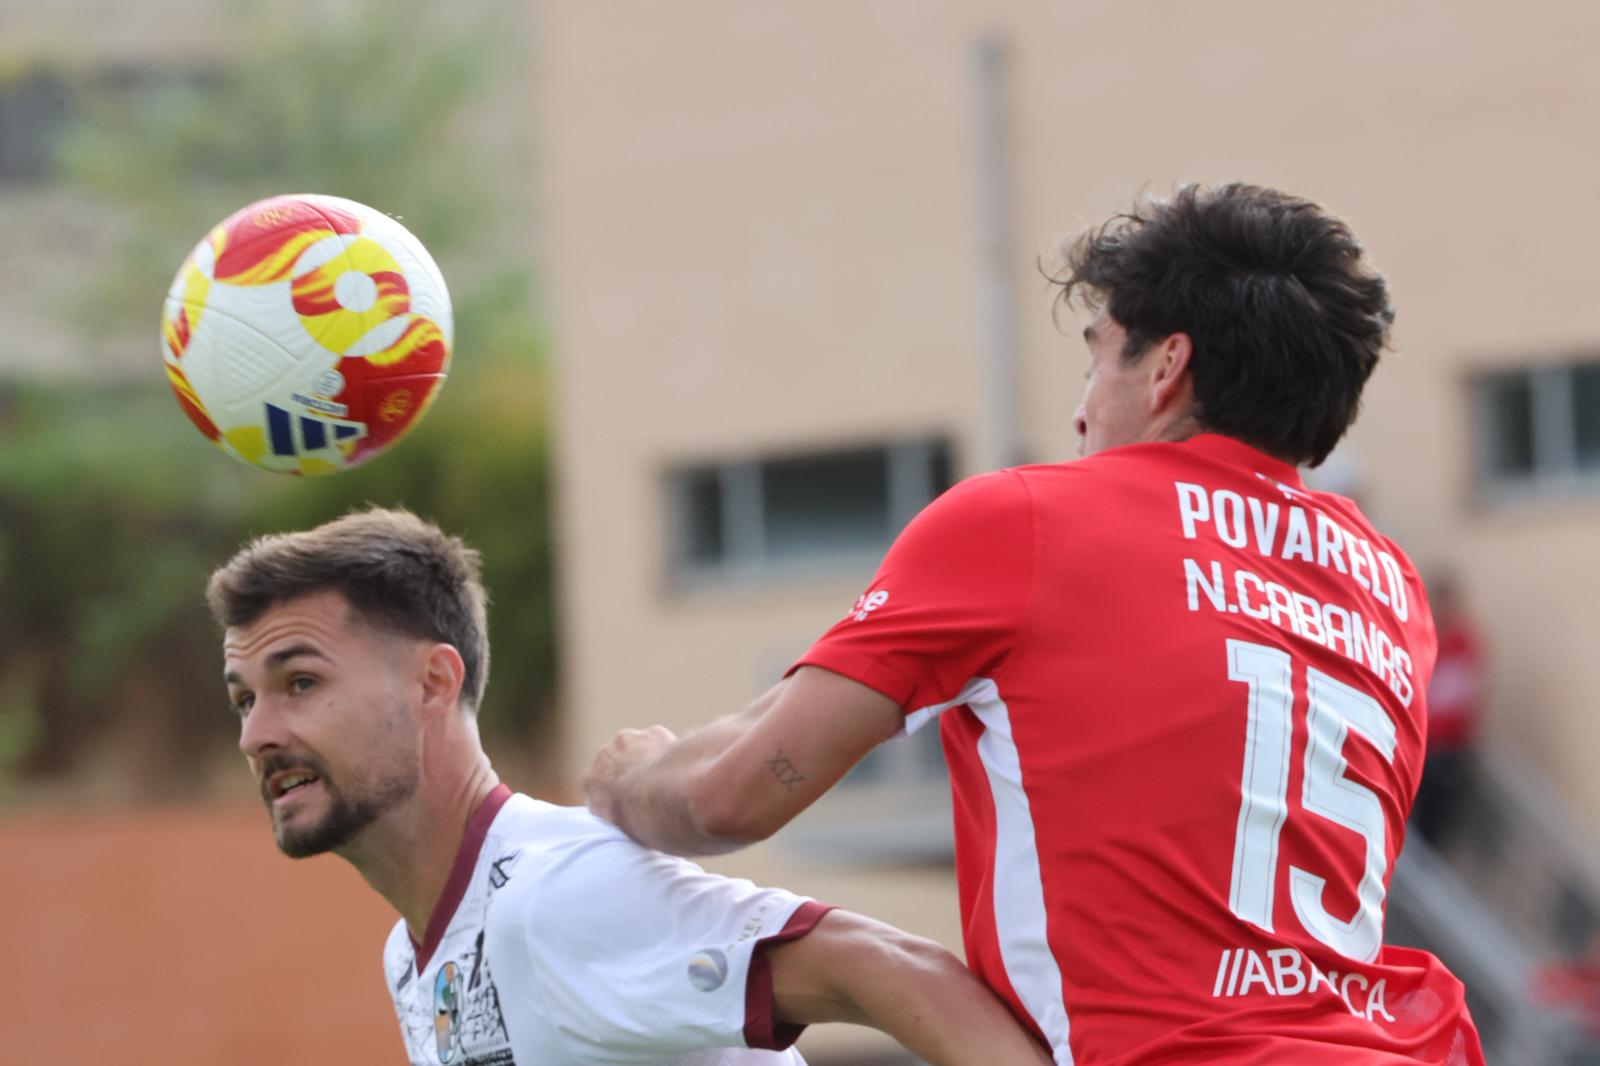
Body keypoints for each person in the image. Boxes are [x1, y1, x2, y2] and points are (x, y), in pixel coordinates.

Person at [584, 184, 1486, 1064]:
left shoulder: (1030, 521)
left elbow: (732, 797)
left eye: (1097, 357)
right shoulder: (1389, 585)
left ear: (1167, 367)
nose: (1082, 407)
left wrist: (631, 785)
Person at [208, 507, 1050, 1066]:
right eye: (245, 698)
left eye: (301, 683)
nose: (258, 734)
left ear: (433, 683)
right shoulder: (414, 953)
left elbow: (886, 966)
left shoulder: (558, 896)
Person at [1410, 573, 1486, 850]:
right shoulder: (1420, 638)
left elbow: (1454, 705)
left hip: (1445, 753)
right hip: (1419, 749)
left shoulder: (1462, 644)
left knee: (1435, 832)